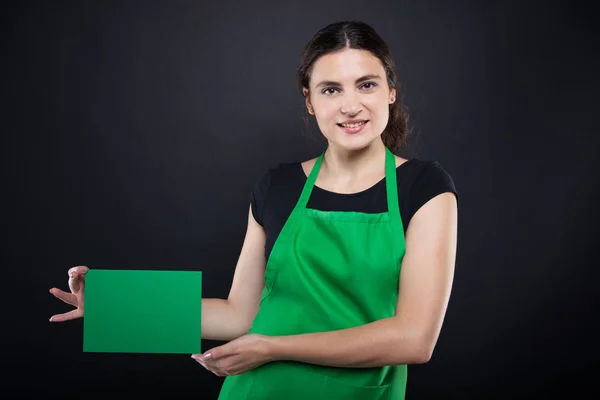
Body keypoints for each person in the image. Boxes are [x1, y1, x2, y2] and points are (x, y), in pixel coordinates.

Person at [49, 20, 458, 400]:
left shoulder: (424, 188)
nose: (350, 105)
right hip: (259, 389)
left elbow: (414, 339)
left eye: (366, 85)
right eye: (331, 89)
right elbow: (239, 315)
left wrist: (271, 346)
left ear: (390, 90)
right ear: (310, 101)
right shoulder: (277, 187)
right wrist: (114, 304)